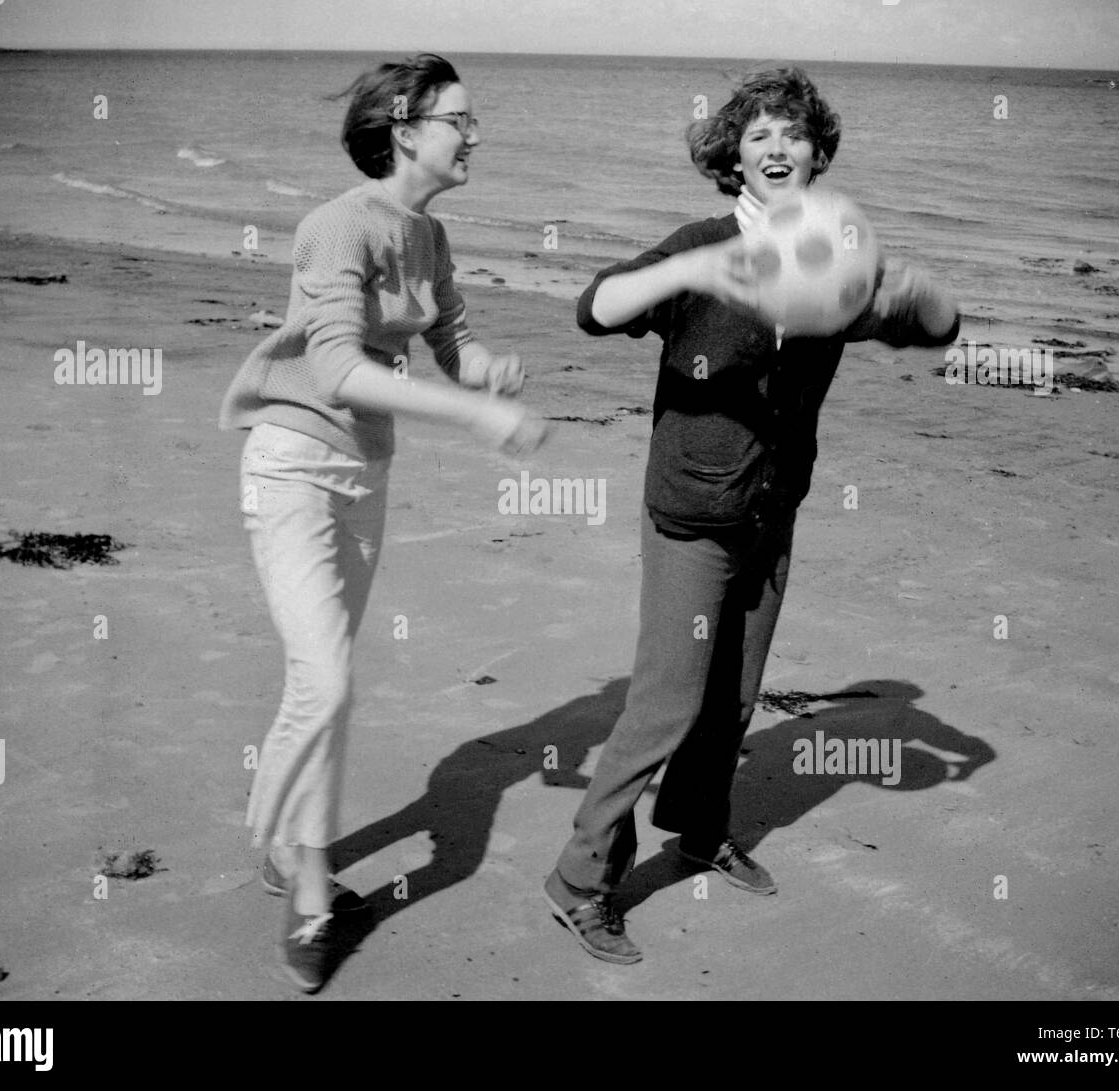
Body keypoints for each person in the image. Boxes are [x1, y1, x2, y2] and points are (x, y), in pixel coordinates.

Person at [543, 65, 960, 964]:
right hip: (691, 510)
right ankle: (580, 878)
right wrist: (699, 268)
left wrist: (921, 297)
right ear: (734, 156)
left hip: (774, 509)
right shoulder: (700, 247)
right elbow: (593, 308)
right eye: (758, 134)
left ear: (817, 154)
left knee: (733, 695)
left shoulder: (834, 258)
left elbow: (935, 327)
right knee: (666, 702)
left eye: (792, 133)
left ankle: (699, 830)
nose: (776, 147)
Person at [219, 53, 547, 992]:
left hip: (366, 475)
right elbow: (335, 371)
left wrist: (487, 372)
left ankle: (277, 838)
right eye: (461, 119)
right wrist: (477, 417)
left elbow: (449, 341)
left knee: (316, 680)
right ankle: (311, 892)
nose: (474, 134)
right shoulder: (337, 226)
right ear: (405, 129)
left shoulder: (429, 236)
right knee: (324, 682)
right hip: (291, 467)